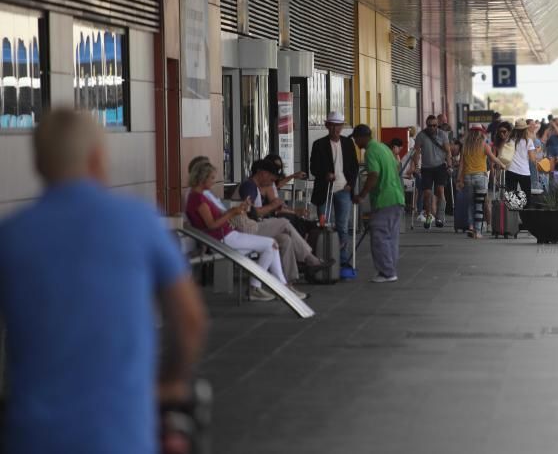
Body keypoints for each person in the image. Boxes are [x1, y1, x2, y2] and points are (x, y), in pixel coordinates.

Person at [0, 109, 206, 454]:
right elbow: (190, 320)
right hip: (122, 434)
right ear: (98, 158)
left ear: (38, 164)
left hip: (32, 436)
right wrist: (170, 381)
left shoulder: (11, 236)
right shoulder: (139, 221)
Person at [187, 160, 297, 301]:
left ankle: (273, 286)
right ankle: (270, 286)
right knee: (271, 245)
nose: (213, 182)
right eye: (211, 178)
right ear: (202, 178)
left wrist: (236, 210)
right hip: (222, 239)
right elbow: (212, 225)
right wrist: (232, 213)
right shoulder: (199, 200)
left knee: (272, 245)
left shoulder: (199, 197)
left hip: (225, 237)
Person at [239, 159, 326, 287]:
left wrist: (289, 209)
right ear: (263, 173)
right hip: (246, 228)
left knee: (285, 240)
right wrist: (272, 206)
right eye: (271, 179)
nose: (271, 184)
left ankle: (288, 281)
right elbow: (251, 213)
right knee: (284, 222)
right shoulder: (248, 187)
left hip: (255, 226)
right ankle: (310, 259)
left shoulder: (258, 188)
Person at [351, 125, 406, 282]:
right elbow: (394, 167)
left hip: (384, 199)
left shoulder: (371, 152)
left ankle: (386, 272)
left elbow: (373, 175)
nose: (355, 141)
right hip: (397, 197)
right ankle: (390, 270)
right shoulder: (383, 147)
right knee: (391, 237)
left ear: (362, 137)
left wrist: (361, 196)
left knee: (379, 235)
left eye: (356, 138)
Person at [309, 111, 359, 277]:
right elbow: (313, 168)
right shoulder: (318, 144)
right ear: (327, 125)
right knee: (324, 225)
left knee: (343, 227)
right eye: (333, 125)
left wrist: (350, 185)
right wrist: (325, 174)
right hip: (325, 190)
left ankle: (342, 260)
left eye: (339, 125)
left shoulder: (348, 143)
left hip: (343, 189)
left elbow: (354, 167)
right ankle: (324, 257)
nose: (336, 128)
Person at [457, 124, 503, 238]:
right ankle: (478, 232)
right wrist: (502, 164)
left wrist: (459, 179)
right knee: (479, 205)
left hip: (468, 177)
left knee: (470, 204)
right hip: (481, 178)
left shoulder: (465, 146)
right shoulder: (484, 145)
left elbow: (461, 164)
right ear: (481, 133)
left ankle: (471, 226)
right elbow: (493, 158)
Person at [412, 114, 453, 229]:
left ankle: (440, 216)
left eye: (435, 125)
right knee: (427, 194)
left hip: (440, 166)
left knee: (440, 191)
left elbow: (448, 151)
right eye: (430, 125)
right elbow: (416, 152)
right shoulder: (421, 135)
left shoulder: (443, 134)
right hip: (426, 168)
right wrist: (416, 166)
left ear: (437, 125)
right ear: (426, 125)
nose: (432, 128)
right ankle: (429, 215)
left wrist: (449, 165)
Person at [505, 119, 538, 207]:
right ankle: (525, 219)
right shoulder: (529, 141)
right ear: (525, 130)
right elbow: (532, 159)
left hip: (511, 171)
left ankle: (513, 219)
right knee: (527, 199)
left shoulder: (509, 140)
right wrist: (535, 152)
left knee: (512, 200)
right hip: (524, 172)